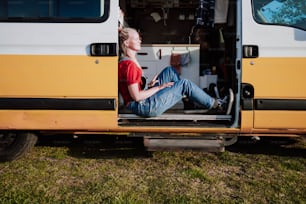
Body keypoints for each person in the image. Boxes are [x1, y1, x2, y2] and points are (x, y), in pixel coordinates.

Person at [118, 27, 231, 117]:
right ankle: (216, 104)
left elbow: (134, 90)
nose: (140, 40)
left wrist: (150, 85)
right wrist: (159, 87)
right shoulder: (129, 66)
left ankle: (188, 99)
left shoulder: (127, 61)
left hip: (141, 102)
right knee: (184, 84)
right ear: (127, 43)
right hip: (143, 106)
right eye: (136, 38)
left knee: (169, 71)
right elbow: (137, 97)